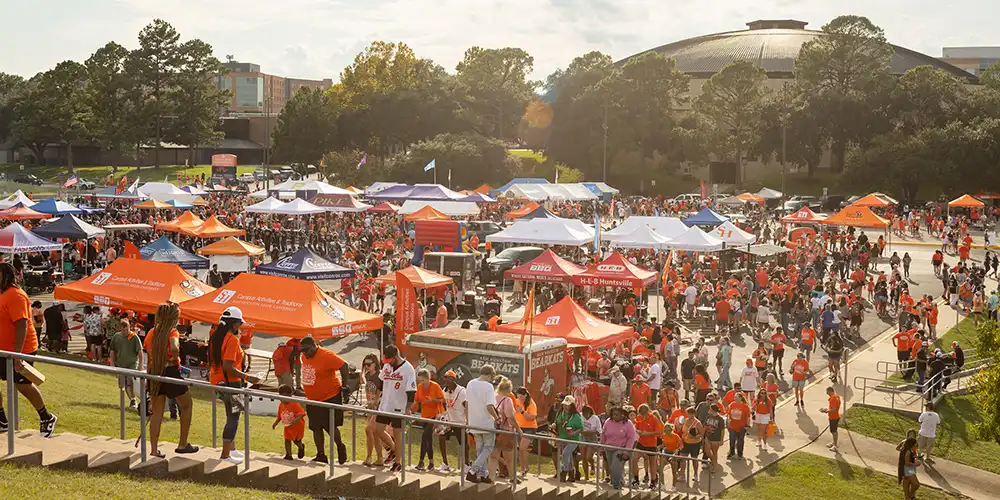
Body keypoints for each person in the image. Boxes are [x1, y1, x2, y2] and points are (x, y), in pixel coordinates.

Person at [0, 262, 57, 437]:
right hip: (3, 349)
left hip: (22, 348)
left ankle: (46, 417)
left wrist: (18, 355)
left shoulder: (17, 296)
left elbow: (22, 324)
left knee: (22, 385)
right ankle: (1, 420)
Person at [145, 301, 198, 458]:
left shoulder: (152, 332)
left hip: (154, 372)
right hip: (170, 371)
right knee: (187, 405)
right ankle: (182, 444)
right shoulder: (172, 332)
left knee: (157, 413)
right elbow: (174, 347)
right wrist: (176, 356)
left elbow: (148, 352)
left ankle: (154, 450)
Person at [208, 306, 258, 464]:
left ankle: (232, 449)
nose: (240, 327)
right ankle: (225, 455)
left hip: (217, 382)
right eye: (239, 324)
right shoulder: (232, 340)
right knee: (234, 418)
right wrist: (248, 377)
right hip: (232, 384)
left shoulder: (215, 337)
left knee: (230, 415)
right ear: (234, 324)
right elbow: (228, 366)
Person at [300, 335, 350, 465]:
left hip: (330, 397)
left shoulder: (327, 355)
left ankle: (340, 447)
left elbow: (344, 365)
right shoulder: (304, 356)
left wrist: (345, 386)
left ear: (313, 346)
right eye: (302, 350)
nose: (304, 353)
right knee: (316, 427)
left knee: (330, 427)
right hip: (313, 399)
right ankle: (321, 454)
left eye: (306, 350)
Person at [377, 345, 416, 473]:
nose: (388, 363)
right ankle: (393, 450)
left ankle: (398, 462)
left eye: (389, 360)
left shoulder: (408, 369)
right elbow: (380, 382)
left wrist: (408, 408)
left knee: (398, 434)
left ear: (395, 357)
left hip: (399, 407)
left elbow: (411, 391)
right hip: (385, 405)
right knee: (378, 430)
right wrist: (376, 399)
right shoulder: (387, 366)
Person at [466, 364, 500, 484]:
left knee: (480, 449)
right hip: (486, 422)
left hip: (473, 422)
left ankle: (483, 474)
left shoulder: (470, 383)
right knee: (488, 448)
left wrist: (468, 421)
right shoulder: (488, 386)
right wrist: (496, 418)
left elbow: (467, 403)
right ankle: (473, 471)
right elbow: (489, 406)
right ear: (490, 375)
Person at [361, 353, 393, 466]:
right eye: (365, 364)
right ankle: (380, 458)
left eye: (369, 364)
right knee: (374, 433)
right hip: (371, 408)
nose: (367, 367)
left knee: (369, 429)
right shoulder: (368, 375)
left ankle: (393, 450)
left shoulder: (380, 376)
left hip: (380, 407)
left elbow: (385, 393)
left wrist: (376, 402)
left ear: (376, 364)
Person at [413, 368, 445, 471]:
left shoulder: (435, 386)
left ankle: (421, 461)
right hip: (425, 416)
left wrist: (432, 400)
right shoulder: (420, 387)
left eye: (423, 380)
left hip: (435, 416)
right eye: (420, 380)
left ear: (428, 378)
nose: (421, 383)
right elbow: (416, 401)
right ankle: (431, 462)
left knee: (424, 437)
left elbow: (442, 399)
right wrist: (410, 410)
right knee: (428, 440)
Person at [599, 406, 637, 490]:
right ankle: (620, 481)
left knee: (615, 467)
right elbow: (603, 434)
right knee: (612, 468)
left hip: (621, 449)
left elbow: (631, 438)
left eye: (617, 415)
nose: (615, 416)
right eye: (613, 414)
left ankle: (617, 487)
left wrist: (626, 452)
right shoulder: (608, 421)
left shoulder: (628, 423)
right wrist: (601, 447)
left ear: (622, 415)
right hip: (608, 448)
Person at [109, 318, 143, 409]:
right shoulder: (116, 337)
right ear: (120, 329)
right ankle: (132, 399)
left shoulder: (134, 337)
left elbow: (140, 352)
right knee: (122, 385)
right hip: (120, 364)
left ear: (129, 328)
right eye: (122, 330)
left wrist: (140, 365)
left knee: (130, 382)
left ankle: (133, 400)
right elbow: (112, 350)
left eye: (126, 330)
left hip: (132, 364)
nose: (124, 332)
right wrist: (112, 363)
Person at [271, 384, 307, 460]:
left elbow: (302, 413)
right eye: (280, 397)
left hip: (297, 427)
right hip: (287, 426)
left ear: (289, 396)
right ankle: (288, 455)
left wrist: (295, 421)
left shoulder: (294, 404)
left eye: (284, 397)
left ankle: (301, 447)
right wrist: (276, 423)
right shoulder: (281, 405)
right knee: (287, 440)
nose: (282, 399)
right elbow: (280, 415)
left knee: (296, 441)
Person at [554, 395, 583, 483]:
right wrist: (554, 425)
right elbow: (556, 422)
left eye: (568, 405)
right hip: (563, 438)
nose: (565, 407)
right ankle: (572, 474)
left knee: (566, 453)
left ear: (572, 406)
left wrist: (574, 433)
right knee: (568, 456)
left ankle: (564, 471)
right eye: (564, 405)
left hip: (573, 439)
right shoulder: (560, 413)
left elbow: (581, 428)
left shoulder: (576, 416)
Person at [632, 403, 662, 489]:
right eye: (641, 413)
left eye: (644, 413)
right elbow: (636, 427)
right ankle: (636, 479)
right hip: (641, 442)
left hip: (651, 444)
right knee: (634, 458)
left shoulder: (654, 419)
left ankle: (653, 481)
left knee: (652, 463)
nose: (643, 415)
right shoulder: (638, 418)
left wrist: (648, 433)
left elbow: (659, 432)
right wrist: (639, 431)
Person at [513, 386, 536, 478]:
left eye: (521, 397)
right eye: (518, 397)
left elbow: (532, 417)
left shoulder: (531, 403)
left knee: (522, 448)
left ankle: (523, 469)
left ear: (526, 395)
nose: (520, 399)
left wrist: (522, 412)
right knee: (521, 450)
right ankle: (525, 467)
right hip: (519, 427)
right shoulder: (516, 401)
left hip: (530, 428)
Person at [579, 405, 601, 481]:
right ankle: (586, 476)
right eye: (584, 412)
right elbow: (578, 427)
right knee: (583, 458)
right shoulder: (580, 416)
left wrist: (590, 432)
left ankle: (592, 465)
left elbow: (598, 431)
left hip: (592, 438)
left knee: (588, 456)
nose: (586, 414)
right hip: (582, 437)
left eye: (587, 412)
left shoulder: (595, 418)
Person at [726, 392, 750, 459]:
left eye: (736, 397)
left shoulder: (745, 407)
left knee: (740, 441)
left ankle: (740, 454)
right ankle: (732, 453)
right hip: (732, 426)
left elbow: (748, 417)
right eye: (734, 397)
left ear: (740, 398)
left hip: (742, 427)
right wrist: (728, 422)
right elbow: (728, 414)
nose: (734, 399)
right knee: (732, 440)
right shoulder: (732, 404)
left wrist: (747, 426)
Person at [898, 436, 922, 500]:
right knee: (916, 484)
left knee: (907, 484)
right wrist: (915, 464)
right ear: (912, 444)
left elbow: (914, 457)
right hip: (908, 470)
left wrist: (918, 459)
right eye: (915, 443)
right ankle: (911, 495)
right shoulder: (908, 451)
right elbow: (907, 463)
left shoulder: (913, 450)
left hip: (911, 469)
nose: (917, 444)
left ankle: (909, 497)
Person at [820, 386, 841, 453]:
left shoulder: (833, 399)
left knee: (834, 431)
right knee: (834, 431)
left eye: (827, 392)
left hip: (833, 417)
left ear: (830, 391)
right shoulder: (836, 396)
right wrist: (827, 409)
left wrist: (826, 411)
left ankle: (835, 446)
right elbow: (834, 408)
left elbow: (834, 409)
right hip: (835, 416)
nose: (827, 393)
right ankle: (833, 443)